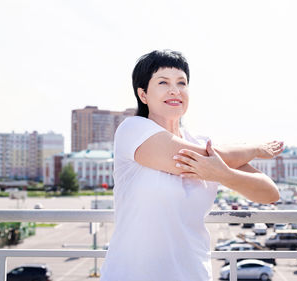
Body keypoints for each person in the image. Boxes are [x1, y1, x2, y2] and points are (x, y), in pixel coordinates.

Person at [100, 49, 282, 281]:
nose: (175, 90)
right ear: (143, 94)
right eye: (163, 82)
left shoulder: (203, 143)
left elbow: (269, 193)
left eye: (181, 83)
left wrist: (223, 174)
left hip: (192, 273)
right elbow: (191, 157)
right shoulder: (133, 130)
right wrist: (254, 149)